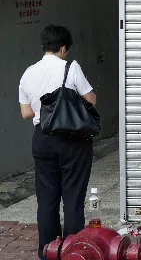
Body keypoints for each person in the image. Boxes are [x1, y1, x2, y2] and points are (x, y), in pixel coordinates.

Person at [18, 26, 96, 260]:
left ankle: (48, 252)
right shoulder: (70, 68)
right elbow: (90, 99)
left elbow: (26, 113)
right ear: (63, 48)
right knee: (73, 197)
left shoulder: (28, 72)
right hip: (72, 139)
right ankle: (73, 252)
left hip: (42, 139)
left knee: (47, 199)